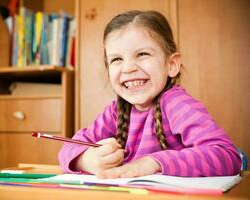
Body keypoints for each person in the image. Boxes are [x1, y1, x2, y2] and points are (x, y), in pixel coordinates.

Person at [58, 10, 241, 178]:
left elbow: (227, 156)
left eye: (143, 54)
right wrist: (87, 160)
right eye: (117, 59)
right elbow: (67, 149)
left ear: (171, 65)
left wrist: (153, 163)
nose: (129, 68)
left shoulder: (177, 104)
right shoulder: (115, 111)